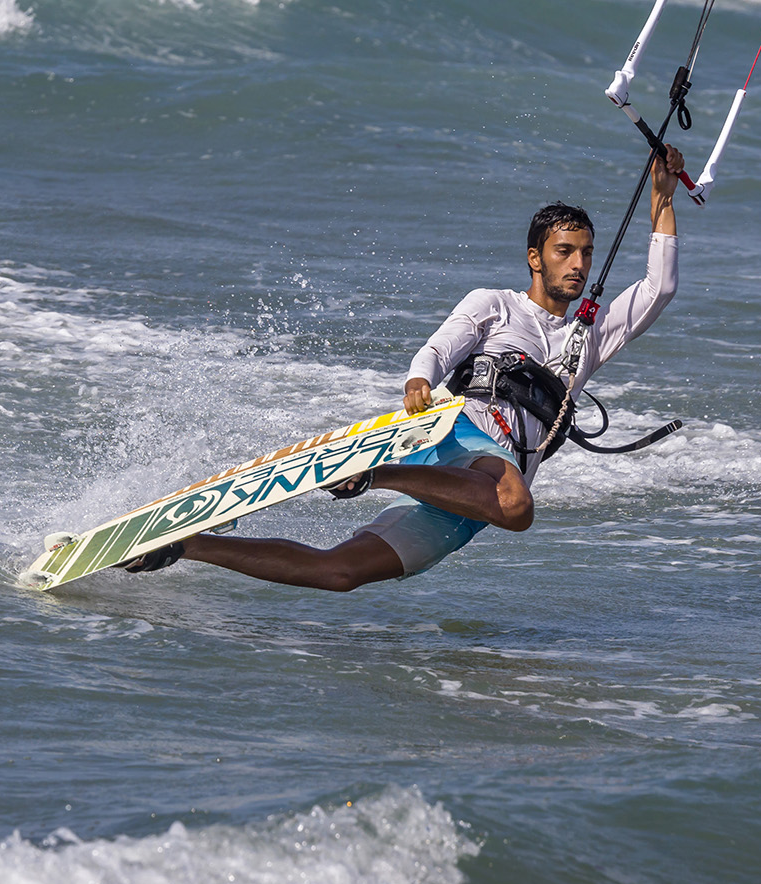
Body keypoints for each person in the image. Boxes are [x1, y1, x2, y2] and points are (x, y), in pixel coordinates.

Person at [122, 144, 685, 590]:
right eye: (565, 251)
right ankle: (374, 474)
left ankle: (184, 546)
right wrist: (420, 380)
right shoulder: (496, 304)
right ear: (536, 258)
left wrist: (663, 196)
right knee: (517, 506)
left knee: (337, 573)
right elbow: (438, 350)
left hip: (468, 498)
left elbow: (660, 286)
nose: (579, 264)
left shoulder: (591, 335)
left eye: (586, 252)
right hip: (456, 438)